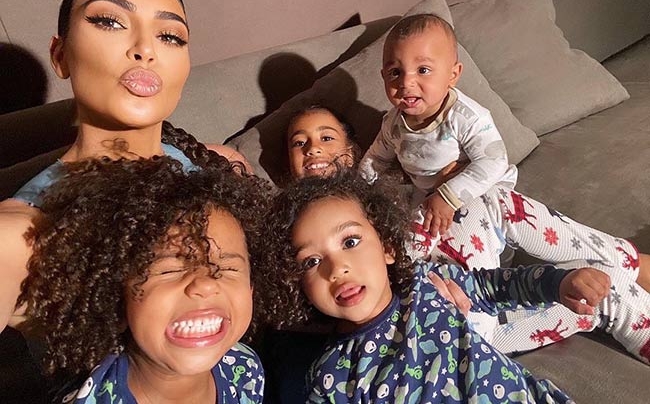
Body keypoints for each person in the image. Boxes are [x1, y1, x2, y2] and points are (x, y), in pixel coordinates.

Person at [285, 103, 650, 363]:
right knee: (487, 200)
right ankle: (635, 261)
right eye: (298, 143)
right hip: (436, 325)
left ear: (352, 152)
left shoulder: (385, 193)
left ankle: (627, 269)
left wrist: (451, 184)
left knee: (600, 285)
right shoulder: (288, 228)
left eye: (326, 137)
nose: (312, 148)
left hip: (474, 299)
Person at [0, 0, 249, 333]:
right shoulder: (22, 232)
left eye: (170, 36)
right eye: (109, 21)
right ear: (60, 55)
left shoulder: (203, 163)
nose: (145, 49)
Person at [260, 172, 613, 403]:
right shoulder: (330, 377)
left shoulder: (425, 283)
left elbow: (492, 287)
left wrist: (557, 282)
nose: (337, 269)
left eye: (350, 242)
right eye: (311, 261)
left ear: (388, 246)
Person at [20, 156, 267, 403]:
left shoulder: (245, 367)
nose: (206, 284)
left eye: (227, 268)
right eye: (169, 270)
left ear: (251, 288)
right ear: (115, 298)